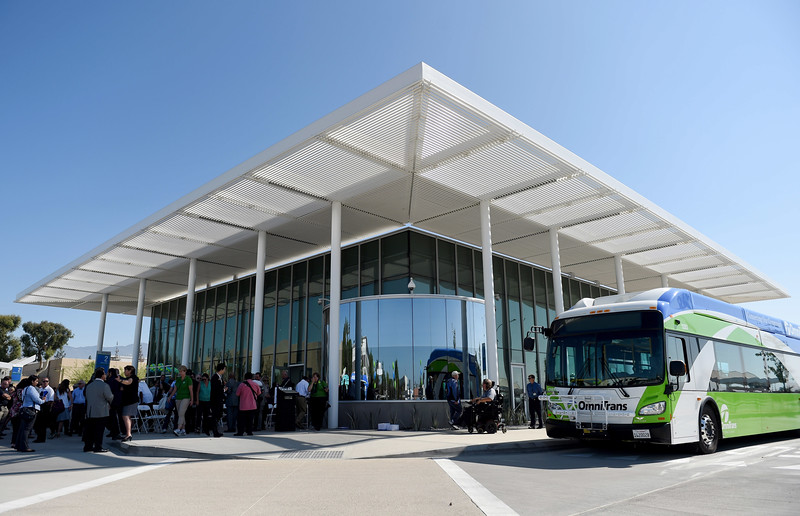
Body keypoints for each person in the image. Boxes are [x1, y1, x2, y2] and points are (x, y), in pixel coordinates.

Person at [83, 367, 113, 453]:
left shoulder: (89, 385)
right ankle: (98, 447)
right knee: (99, 430)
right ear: (102, 376)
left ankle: (88, 446)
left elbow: (86, 396)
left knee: (90, 430)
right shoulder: (104, 385)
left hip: (90, 411)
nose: (106, 375)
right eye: (105, 374)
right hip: (101, 410)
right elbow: (110, 397)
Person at [15, 375, 42, 452]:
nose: (37, 383)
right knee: (27, 429)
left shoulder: (25, 388)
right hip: (31, 410)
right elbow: (37, 400)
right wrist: (43, 400)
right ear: (32, 381)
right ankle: (24, 446)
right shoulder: (31, 389)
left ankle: (19, 445)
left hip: (24, 409)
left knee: (22, 428)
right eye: (36, 381)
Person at [117, 365, 139, 442]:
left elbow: (128, 382)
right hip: (127, 400)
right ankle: (128, 432)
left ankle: (128, 434)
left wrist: (120, 380)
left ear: (130, 371)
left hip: (131, 401)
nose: (124, 372)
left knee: (125, 416)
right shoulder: (127, 378)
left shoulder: (133, 378)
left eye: (126, 370)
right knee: (128, 417)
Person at [170, 365, 193, 436]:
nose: (180, 373)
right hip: (178, 397)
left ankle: (178, 428)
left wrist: (192, 399)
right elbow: (175, 389)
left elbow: (191, 390)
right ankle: (183, 429)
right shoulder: (178, 380)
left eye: (181, 371)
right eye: (179, 371)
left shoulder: (188, 379)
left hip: (186, 397)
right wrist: (170, 396)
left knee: (181, 412)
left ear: (185, 371)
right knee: (181, 414)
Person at [235, 372, 260, 436]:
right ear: (251, 377)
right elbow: (259, 393)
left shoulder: (241, 385)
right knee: (250, 420)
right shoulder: (255, 384)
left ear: (245, 377)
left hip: (243, 405)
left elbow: (237, 394)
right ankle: (249, 431)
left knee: (241, 420)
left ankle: (240, 432)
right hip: (252, 405)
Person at [33, 376, 54, 443]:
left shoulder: (50, 390)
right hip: (40, 406)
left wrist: (47, 409)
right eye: (44, 381)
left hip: (46, 407)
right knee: (38, 424)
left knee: (43, 424)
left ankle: (42, 438)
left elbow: (51, 400)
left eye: (46, 381)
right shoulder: (40, 389)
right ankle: (39, 436)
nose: (45, 383)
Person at [106, 368, 123, 440]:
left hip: (112, 401)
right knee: (118, 417)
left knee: (112, 418)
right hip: (119, 401)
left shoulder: (109, 381)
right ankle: (116, 432)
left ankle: (114, 432)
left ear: (110, 373)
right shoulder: (118, 380)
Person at [210, 363, 226, 438]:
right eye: (224, 369)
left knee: (218, 415)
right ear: (221, 369)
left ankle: (216, 430)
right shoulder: (215, 377)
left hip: (219, 400)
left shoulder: (220, 378)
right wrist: (223, 390)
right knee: (215, 416)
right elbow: (215, 389)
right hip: (215, 400)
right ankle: (214, 431)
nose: (225, 371)